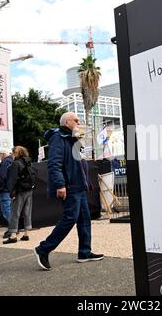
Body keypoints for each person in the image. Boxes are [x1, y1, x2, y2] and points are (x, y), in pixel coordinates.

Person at [33, 112, 103, 270]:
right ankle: (43, 249)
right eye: (76, 120)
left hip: (79, 187)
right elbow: (54, 164)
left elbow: (79, 163)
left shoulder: (74, 139)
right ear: (66, 122)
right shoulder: (59, 137)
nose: (79, 122)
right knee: (70, 219)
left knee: (85, 219)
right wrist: (60, 185)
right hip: (70, 187)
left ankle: (84, 252)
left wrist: (86, 183)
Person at [3, 146, 34, 244]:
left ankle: (13, 236)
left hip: (19, 191)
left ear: (17, 153)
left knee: (14, 213)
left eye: (13, 152)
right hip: (29, 190)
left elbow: (12, 179)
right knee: (27, 212)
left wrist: (11, 192)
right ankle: (26, 234)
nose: (12, 154)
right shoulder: (28, 162)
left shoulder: (15, 163)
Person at [0, 148, 13, 238]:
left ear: (3, 154)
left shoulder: (4, 162)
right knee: (10, 210)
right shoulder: (11, 161)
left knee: (6, 210)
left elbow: (1, 177)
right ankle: (13, 228)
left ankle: (12, 229)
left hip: (4, 190)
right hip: (10, 189)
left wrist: (0, 187)